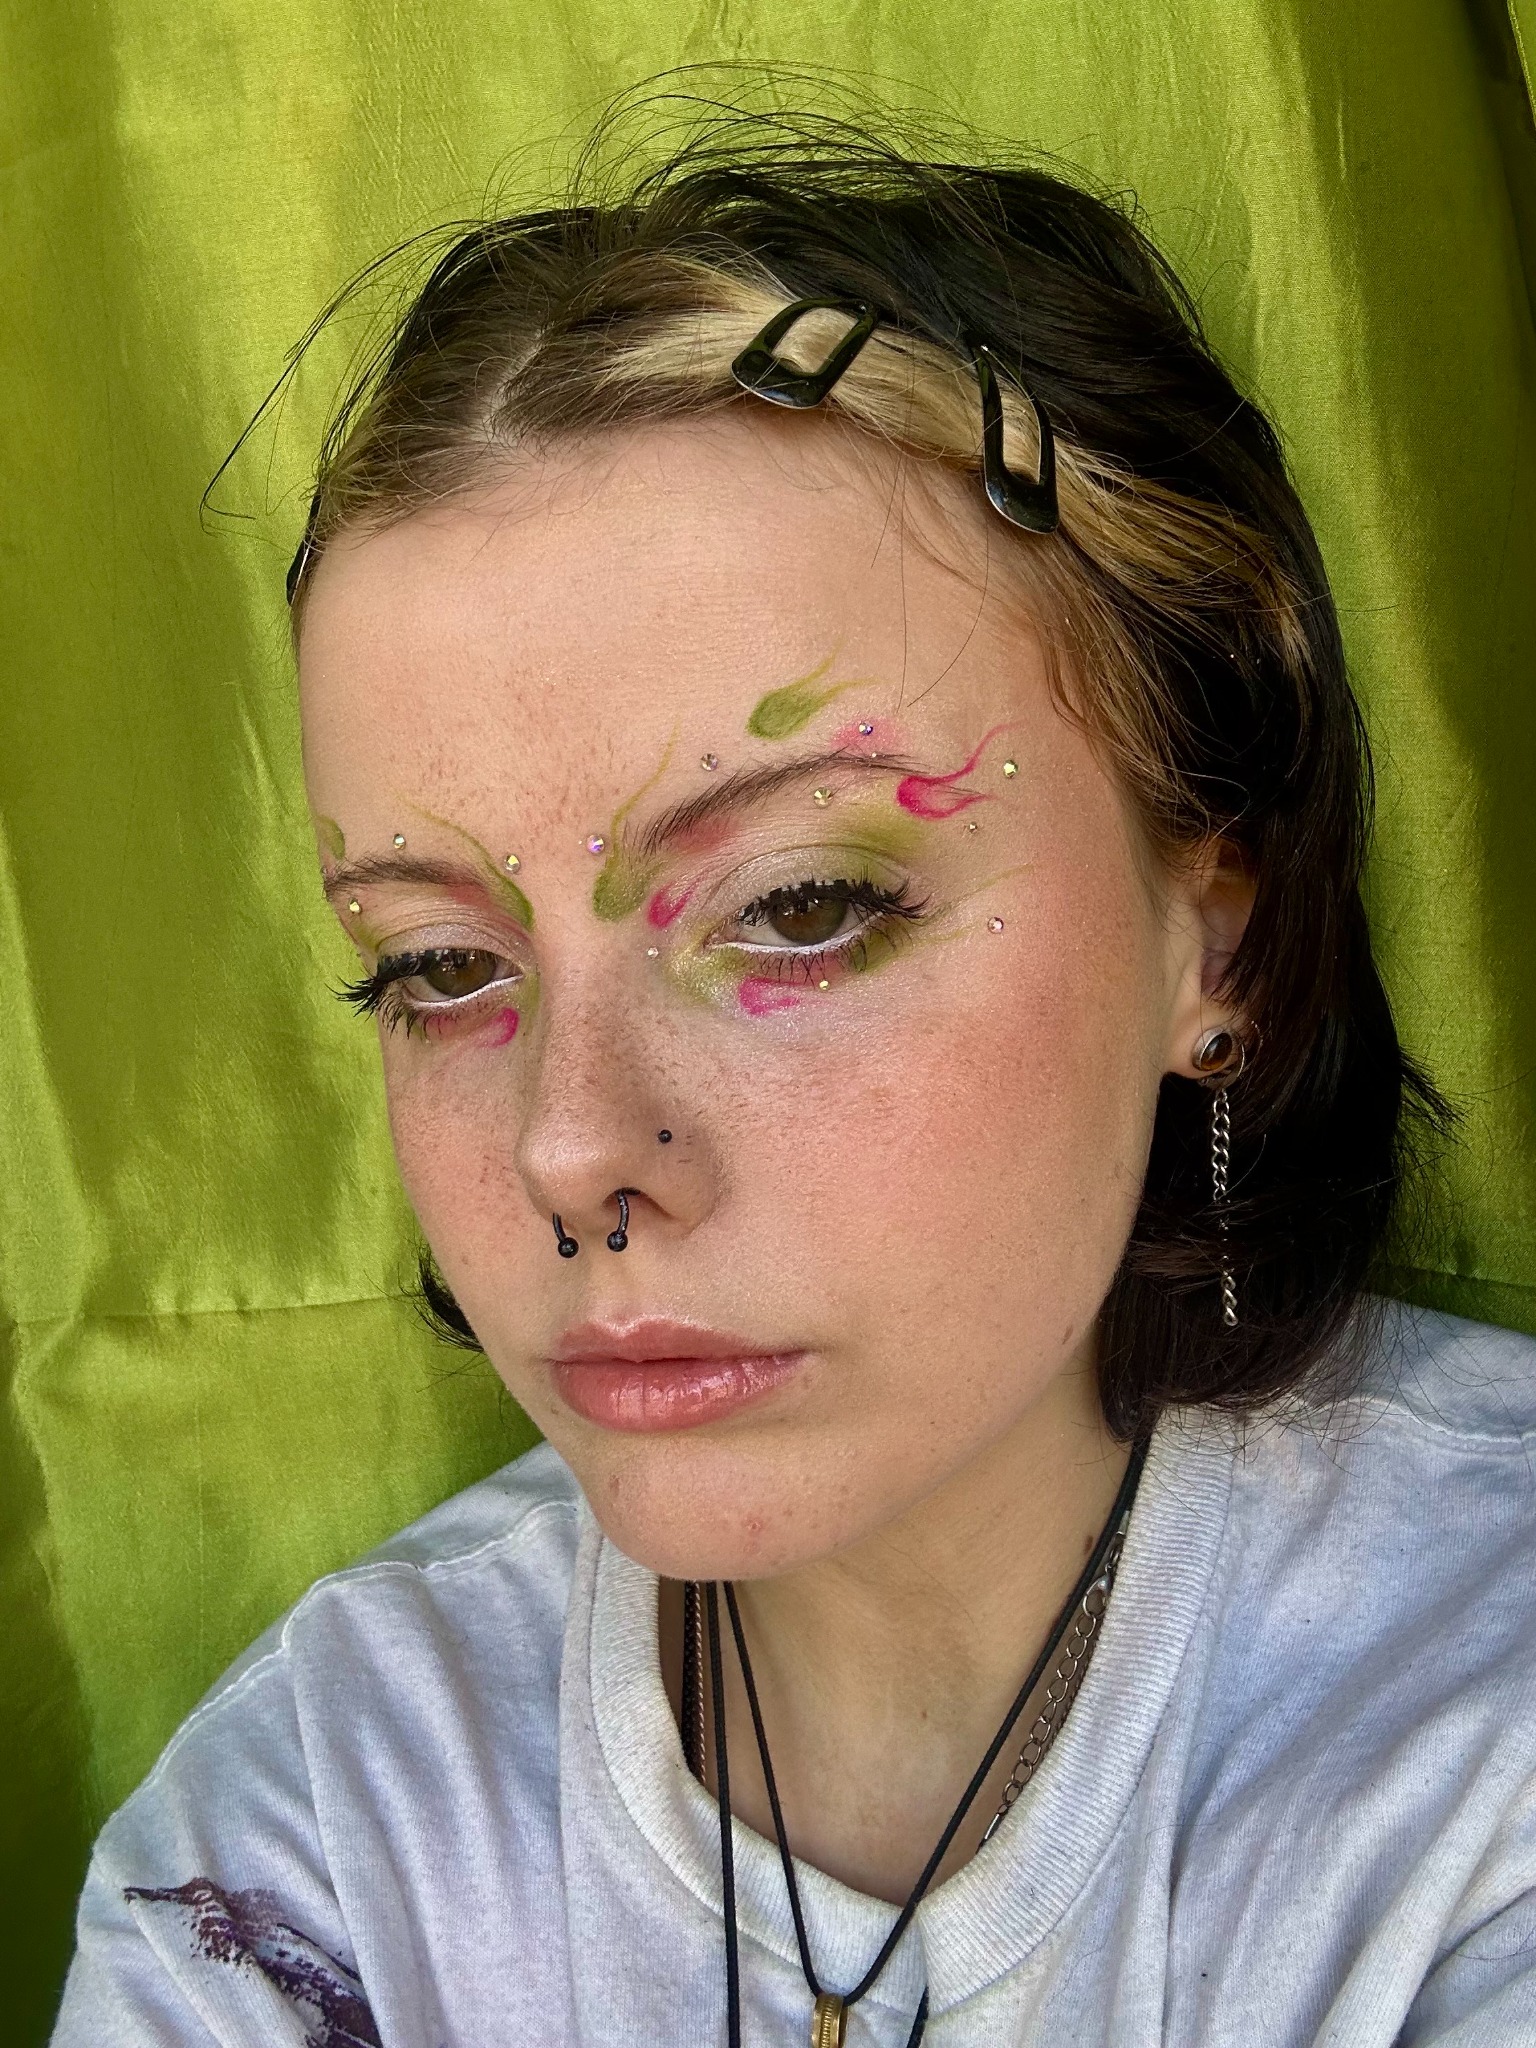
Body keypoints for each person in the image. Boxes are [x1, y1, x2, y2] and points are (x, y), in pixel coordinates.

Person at [51, 116, 1536, 2048]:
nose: (569, 1146)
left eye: (804, 906)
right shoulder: (321, 1843)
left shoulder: (1481, 1748)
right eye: (440, 966)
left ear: (1221, 947)